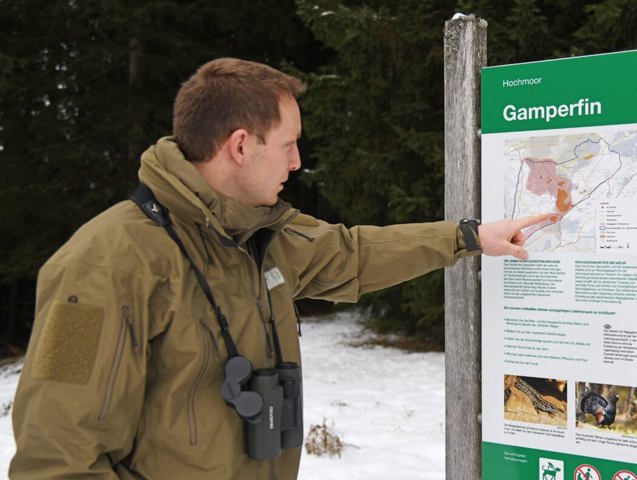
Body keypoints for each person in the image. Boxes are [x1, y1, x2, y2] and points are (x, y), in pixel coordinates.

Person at [10, 58, 544, 479]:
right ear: (241, 145)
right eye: (288, 145)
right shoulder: (100, 265)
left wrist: (467, 236)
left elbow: (354, 254)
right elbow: (56, 460)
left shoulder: (263, 234)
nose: (296, 162)